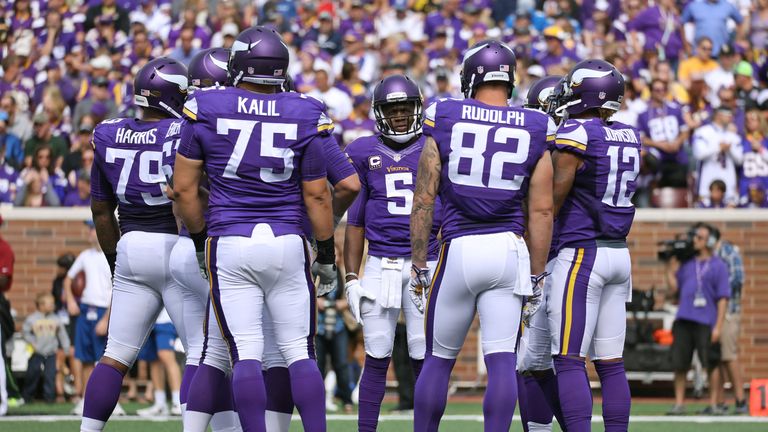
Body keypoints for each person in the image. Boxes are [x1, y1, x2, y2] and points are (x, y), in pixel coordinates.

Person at [173, 26, 336, 432]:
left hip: (230, 239)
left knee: (244, 352)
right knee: (299, 351)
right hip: (286, 241)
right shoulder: (305, 109)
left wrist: (198, 241)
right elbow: (318, 195)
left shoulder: (207, 105)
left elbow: (183, 189)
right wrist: (328, 255)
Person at [411, 39, 555, 432]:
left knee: (438, 360)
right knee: (501, 360)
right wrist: (538, 273)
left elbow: (425, 196)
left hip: (458, 248)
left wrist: (418, 262)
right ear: (510, 79)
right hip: (508, 251)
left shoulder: (444, 112)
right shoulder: (537, 124)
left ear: (471, 76)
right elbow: (542, 210)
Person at [79, 57, 188, 432]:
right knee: (204, 357)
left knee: (115, 355)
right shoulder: (181, 132)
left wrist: (114, 259)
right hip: (176, 247)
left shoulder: (109, 134)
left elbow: (100, 208)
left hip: (131, 245)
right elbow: (188, 196)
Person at [343, 74, 440, 432]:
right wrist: (351, 277)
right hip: (380, 262)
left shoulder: (433, 146)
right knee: (377, 353)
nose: (399, 116)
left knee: (422, 353)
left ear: (417, 109)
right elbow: (354, 221)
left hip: (424, 262)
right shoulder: (362, 150)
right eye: (392, 109)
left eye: (405, 108)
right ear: (379, 112)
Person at [547, 59, 639, 432]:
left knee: (569, 359)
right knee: (611, 362)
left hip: (584, 252)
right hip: (619, 253)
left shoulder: (579, 133)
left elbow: (552, 200)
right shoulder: (631, 133)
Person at [170, 46, 243, 432]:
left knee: (200, 353)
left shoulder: (187, 121)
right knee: (228, 353)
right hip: (214, 243)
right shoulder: (220, 122)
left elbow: (177, 193)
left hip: (185, 243)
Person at [517, 75, 567, 432]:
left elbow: (543, 210)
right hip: (558, 258)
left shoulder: (568, 149)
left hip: (557, 259)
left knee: (550, 358)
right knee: (535, 360)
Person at [665, 223, 730, 415]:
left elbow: (723, 299)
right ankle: (679, 403)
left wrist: (718, 326)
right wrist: (669, 268)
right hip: (684, 318)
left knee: (711, 363)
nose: (695, 240)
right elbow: (674, 289)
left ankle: (714, 404)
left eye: (700, 237)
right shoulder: (687, 263)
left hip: (706, 321)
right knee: (680, 364)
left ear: (709, 241)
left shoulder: (719, 266)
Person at [64, 222, 116, 417]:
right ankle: (86, 399)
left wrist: (106, 319)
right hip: (86, 310)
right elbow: (68, 279)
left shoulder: (110, 255)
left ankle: (111, 401)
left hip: (103, 310)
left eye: (93, 228)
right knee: (85, 358)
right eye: (89, 228)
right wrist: (70, 300)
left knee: (104, 360)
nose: (90, 232)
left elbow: (117, 287)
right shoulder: (85, 256)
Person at [712, 228, 748, 414]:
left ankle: (741, 400)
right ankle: (720, 403)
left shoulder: (728, 252)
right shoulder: (708, 255)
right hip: (714, 312)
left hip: (729, 311)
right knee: (716, 358)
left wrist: (716, 286)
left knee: (728, 355)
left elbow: (738, 279)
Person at [21, 293, 70, 403]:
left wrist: (66, 348)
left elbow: (62, 335)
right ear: (41, 305)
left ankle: (49, 398)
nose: (53, 306)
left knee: (50, 375)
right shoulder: (32, 319)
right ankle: (27, 397)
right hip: (36, 352)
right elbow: (25, 332)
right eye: (50, 304)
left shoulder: (56, 319)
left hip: (51, 352)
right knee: (32, 373)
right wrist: (33, 342)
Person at [692, 106, 743, 205]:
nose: (731, 118)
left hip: (728, 178)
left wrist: (730, 149)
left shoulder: (733, 136)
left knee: (729, 212)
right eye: (728, 116)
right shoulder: (703, 132)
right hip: (707, 178)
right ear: (719, 115)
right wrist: (718, 148)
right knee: (706, 213)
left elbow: (740, 160)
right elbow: (699, 154)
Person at [136, 310, 182, 417]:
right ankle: (160, 404)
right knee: (154, 361)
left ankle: (178, 402)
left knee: (166, 356)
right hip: (148, 320)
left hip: (166, 318)